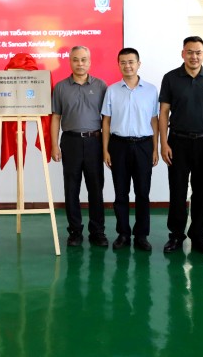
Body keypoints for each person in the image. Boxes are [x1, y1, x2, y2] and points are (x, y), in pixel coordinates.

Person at [159, 36, 203, 255]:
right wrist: (163, 142)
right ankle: (176, 235)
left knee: (201, 192)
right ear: (183, 53)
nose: (194, 56)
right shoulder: (170, 78)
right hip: (177, 142)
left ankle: (198, 236)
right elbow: (163, 112)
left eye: (198, 52)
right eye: (190, 52)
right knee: (177, 191)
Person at [101, 47, 159, 252]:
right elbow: (106, 122)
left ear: (138, 64)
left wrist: (155, 148)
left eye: (131, 62)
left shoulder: (151, 90)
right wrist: (105, 150)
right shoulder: (112, 90)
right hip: (119, 146)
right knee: (121, 193)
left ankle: (141, 235)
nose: (127, 66)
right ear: (118, 65)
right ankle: (123, 234)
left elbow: (154, 120)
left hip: (144, 145)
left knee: (143, 192)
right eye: (123, 62)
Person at [50, 46, 108, 247]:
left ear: (89, 62)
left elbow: (107, 119)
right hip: (70, 142)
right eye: (75, 60)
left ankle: (97, 231)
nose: (80, 63)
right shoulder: (60, 87)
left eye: (84, 59)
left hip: (94, 142)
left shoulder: (101, 86)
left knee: (96, 189)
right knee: (71, 188)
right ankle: (74, 231)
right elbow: (56, 117)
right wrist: (54, 145)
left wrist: (106, 148)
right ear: (70, 62)